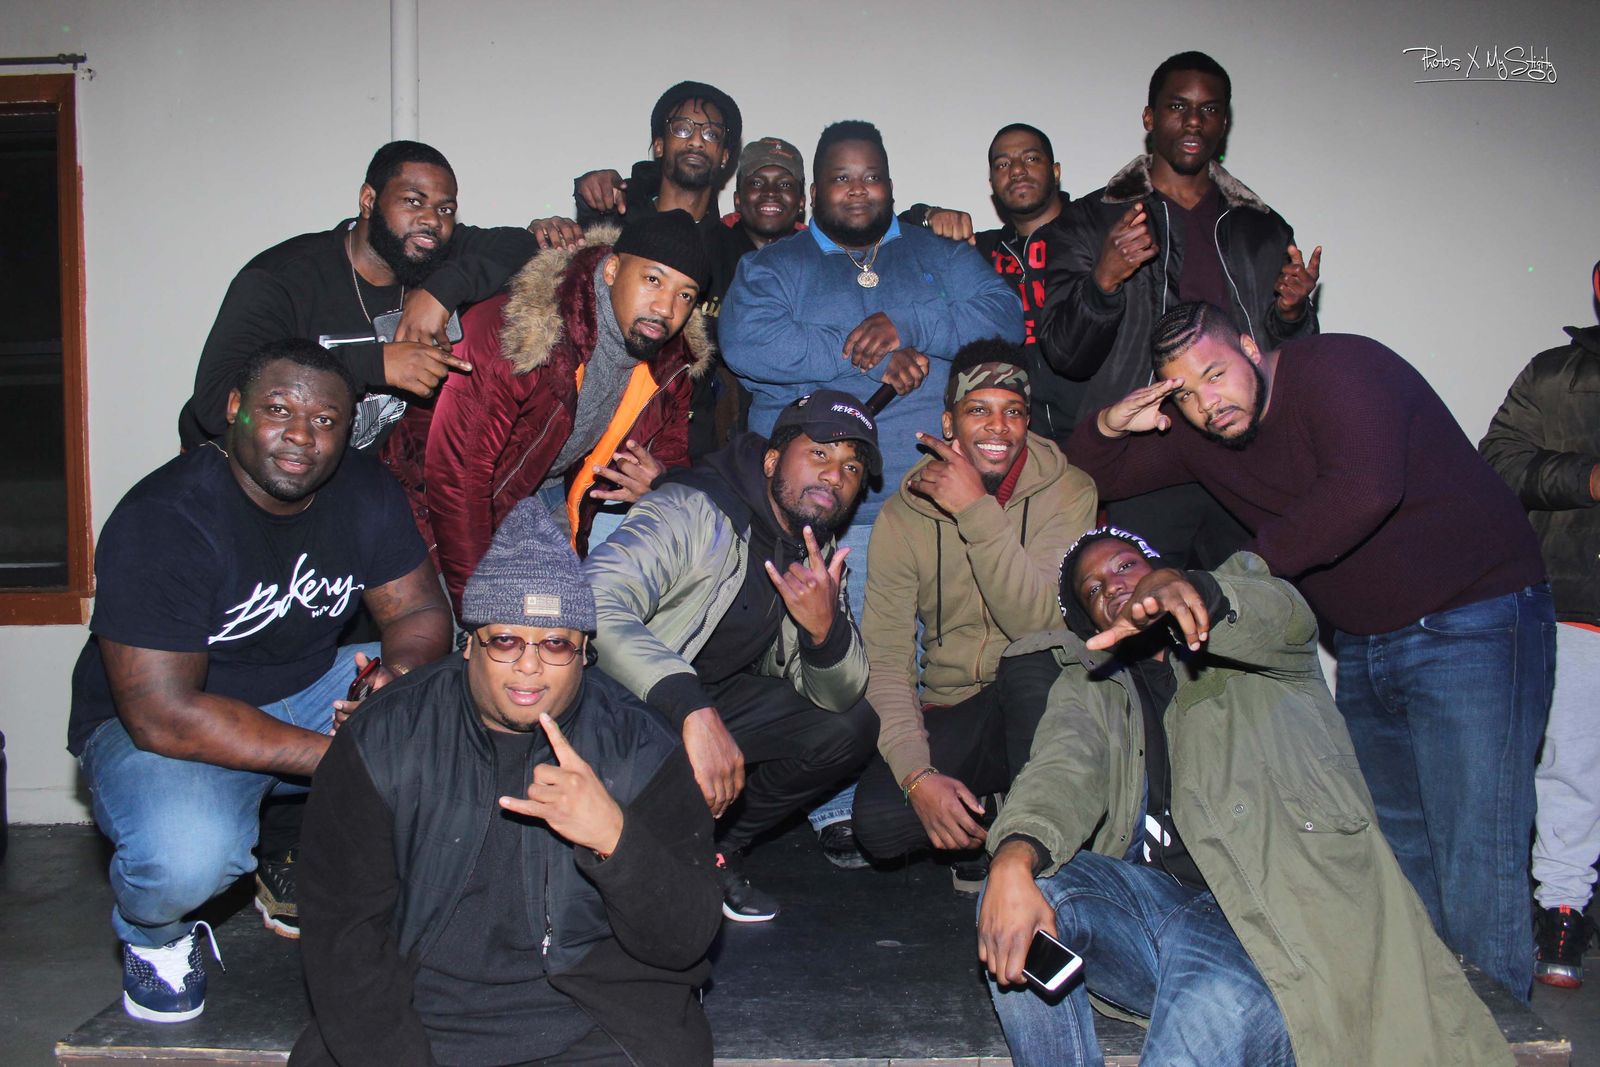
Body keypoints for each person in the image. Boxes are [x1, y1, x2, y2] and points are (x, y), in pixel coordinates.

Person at [1067, 300, 1553, 1000]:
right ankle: (1434, 1029)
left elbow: (1364, 488)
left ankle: (1505, 1034)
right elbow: (1094, 476)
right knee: (1397, 858)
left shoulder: (1341, 369)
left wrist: (1227, 580)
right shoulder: (1207, 433)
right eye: (1185, 393)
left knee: (1477, 854)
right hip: (1367, 644)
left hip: (1473, 619)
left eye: (1215, 373)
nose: (1207, 403)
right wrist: (1113, 423)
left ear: (1249, 346)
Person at [978, 527, 1513, 1067]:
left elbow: (1283, 615)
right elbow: (1062, 768)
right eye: (1093, 589)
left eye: (1125, 566)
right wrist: (1013, 857)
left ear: (1159, 568)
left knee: (1214, 1004)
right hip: (1153, 912)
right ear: (1092, 624)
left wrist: (1195, 590)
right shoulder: (1089, 689)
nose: (1112, 586)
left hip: (1266, 923)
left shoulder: (1254, 650)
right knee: (1018, 891)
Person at [69, 339, 453, 1022]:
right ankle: (154, 937)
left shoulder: (362, 489)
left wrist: (397, 678)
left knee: (469, 702)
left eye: (325, 419)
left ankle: (422, 914)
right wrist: (349, 757)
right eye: (278, 409)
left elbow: (418, 612)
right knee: (186, 856)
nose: (301, 436)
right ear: (234, 409)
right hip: (167, 722)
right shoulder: (165, 517)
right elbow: (164, 714)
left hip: (310, 685)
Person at [291, 499, 721, 1067]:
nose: (529, 665)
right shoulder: (385, 738)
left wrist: (614, 838)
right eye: (505, 640)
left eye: (555, 643)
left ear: (585, 654)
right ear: (469, 642)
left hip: (591, 1023)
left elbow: (683, 941)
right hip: (409, 1018)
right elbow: (344, 938)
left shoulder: (640, 747)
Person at [582, 390, 882, 920]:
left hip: (712, 704)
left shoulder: (815, 551)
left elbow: (839, 694)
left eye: (851, 466)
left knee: (850, 725)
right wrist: (690, 707)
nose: (835, 475)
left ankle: (714, 846)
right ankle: (638, 843)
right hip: (628, 706)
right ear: (772, 461)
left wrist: (824, 633)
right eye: (819, 453)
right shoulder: (690, 509)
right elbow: (592, 604)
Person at [720, 119, 1025, 621]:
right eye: (841, 178)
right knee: (852, 665)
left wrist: (909, 325)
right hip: (830, 522)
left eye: (871, 176)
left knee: (950, 663)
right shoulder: (772, 267)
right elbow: (748, 344)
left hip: (944, 509)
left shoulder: (940, 253)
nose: (858, 189)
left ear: (891, 185)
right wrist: (872, 356)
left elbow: (1006, 318)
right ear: (814, 194)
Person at [1037, 51, 1321, 567]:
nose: (1193, 121)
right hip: (1146, 454)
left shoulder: (1263, 228)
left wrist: (1292, 314)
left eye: (1208, 110)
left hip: (1244, 454)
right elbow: (1064, 355)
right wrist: (1104, 279)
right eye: (1177, 106)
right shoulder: (1089, 221)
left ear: (1224, 123)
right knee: (1148, 605)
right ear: (1149, 117)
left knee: (1249, 603)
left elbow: (1287, 362)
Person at [389, 210, 712, 614]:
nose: (666, 308)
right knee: (463, 634)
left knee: (562, 628)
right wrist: (479, 605)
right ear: (612, 270)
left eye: (685, 295)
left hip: (553, 499)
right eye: (653, 280)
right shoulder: (522, 333)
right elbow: (456, 475)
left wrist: (660, 481)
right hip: (430, 508)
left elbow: (672, 456)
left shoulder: (672, 364)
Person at [853, 340, 1097, 875]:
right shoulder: (904, 515)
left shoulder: (1069, 491)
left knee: (1031, 665)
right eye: (978, 409)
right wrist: (918, 776)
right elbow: (888, 661)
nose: (998, 427)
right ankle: (991, 808)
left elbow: (1039, 626)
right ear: (949, 423)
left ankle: (1032, 852)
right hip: (959, 707)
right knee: (879, 822)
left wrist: (976, 511)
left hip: (1046, 697)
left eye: (1013, 411)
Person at [178, 141, 540, 452]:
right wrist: (374, 364)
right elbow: (216, 403)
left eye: (445, 209)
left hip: (345, 476)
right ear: (369, 200)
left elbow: (521, 244)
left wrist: (440, 292)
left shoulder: (429, 252)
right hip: (240, 475)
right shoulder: (281, 278)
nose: (432, 220)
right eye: (413, 201)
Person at [1478, 261, 1600, 989]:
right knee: (1570, 766)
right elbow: (1497, 463)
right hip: (1580, 601)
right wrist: (1586, 477)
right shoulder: (1556, 374)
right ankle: (1562, 910)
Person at [905, 124, 1084, 443]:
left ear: (1055, 172)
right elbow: (890, 231)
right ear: (992, 183)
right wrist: (929, 214)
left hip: (1099, 423)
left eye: (1031, 158)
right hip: (1015, 437)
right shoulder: (981, 250)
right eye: (1002, 164)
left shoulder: (1091, 234)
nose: (1016, 170)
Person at [571, 80, 741, 230]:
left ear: (724, 157)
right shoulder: (614, 225)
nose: (696, 141)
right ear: (659, 146)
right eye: (682, 129)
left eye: (711, 134)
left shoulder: (730, 250)